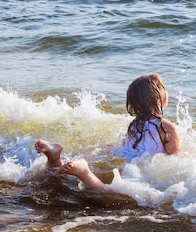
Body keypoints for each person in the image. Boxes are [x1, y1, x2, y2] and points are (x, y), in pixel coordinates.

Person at [35, 73, 180, 191]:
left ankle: (54, 158)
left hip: (125, 158)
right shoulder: (166, 127)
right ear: (159, 99)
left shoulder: (134, 125)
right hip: (138, 166)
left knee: (67, 178)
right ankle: (84, 172)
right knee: (109, 192)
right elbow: (172, 156)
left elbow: (126, 146)